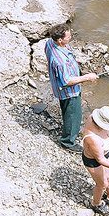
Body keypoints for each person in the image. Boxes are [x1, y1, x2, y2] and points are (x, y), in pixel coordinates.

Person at [45, 24, 98, 152]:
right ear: (60, 40)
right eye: (68, 37)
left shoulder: (49, 42)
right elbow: (66, 81)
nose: (70, 38)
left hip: (59, 88)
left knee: (67, 110)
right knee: (74, 116)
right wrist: (86, 77)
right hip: (69, 91)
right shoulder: (60, 60)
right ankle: (68, 142)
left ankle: (67, 129)